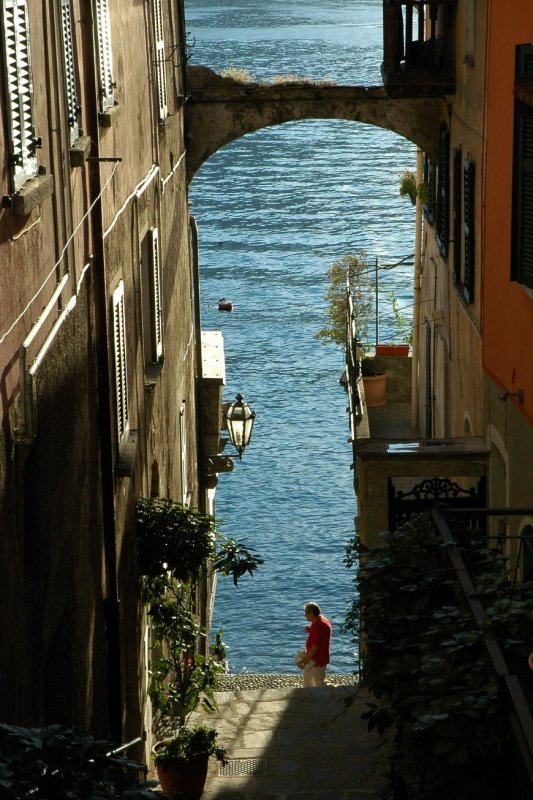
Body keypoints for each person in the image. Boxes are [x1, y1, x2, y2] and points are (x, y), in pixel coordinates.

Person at [298, 601, 332, 687]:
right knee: (309, 684)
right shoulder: (320, 620)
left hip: (318, 661)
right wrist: (310, 629)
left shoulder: (319, 626)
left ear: (312, 613)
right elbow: (319, 635)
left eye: (306, 613)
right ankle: (309, 697)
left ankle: (328, 697)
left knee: (319, 686)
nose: (304, 615)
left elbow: (315, 648)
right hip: (314, 660)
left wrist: (303, 661)